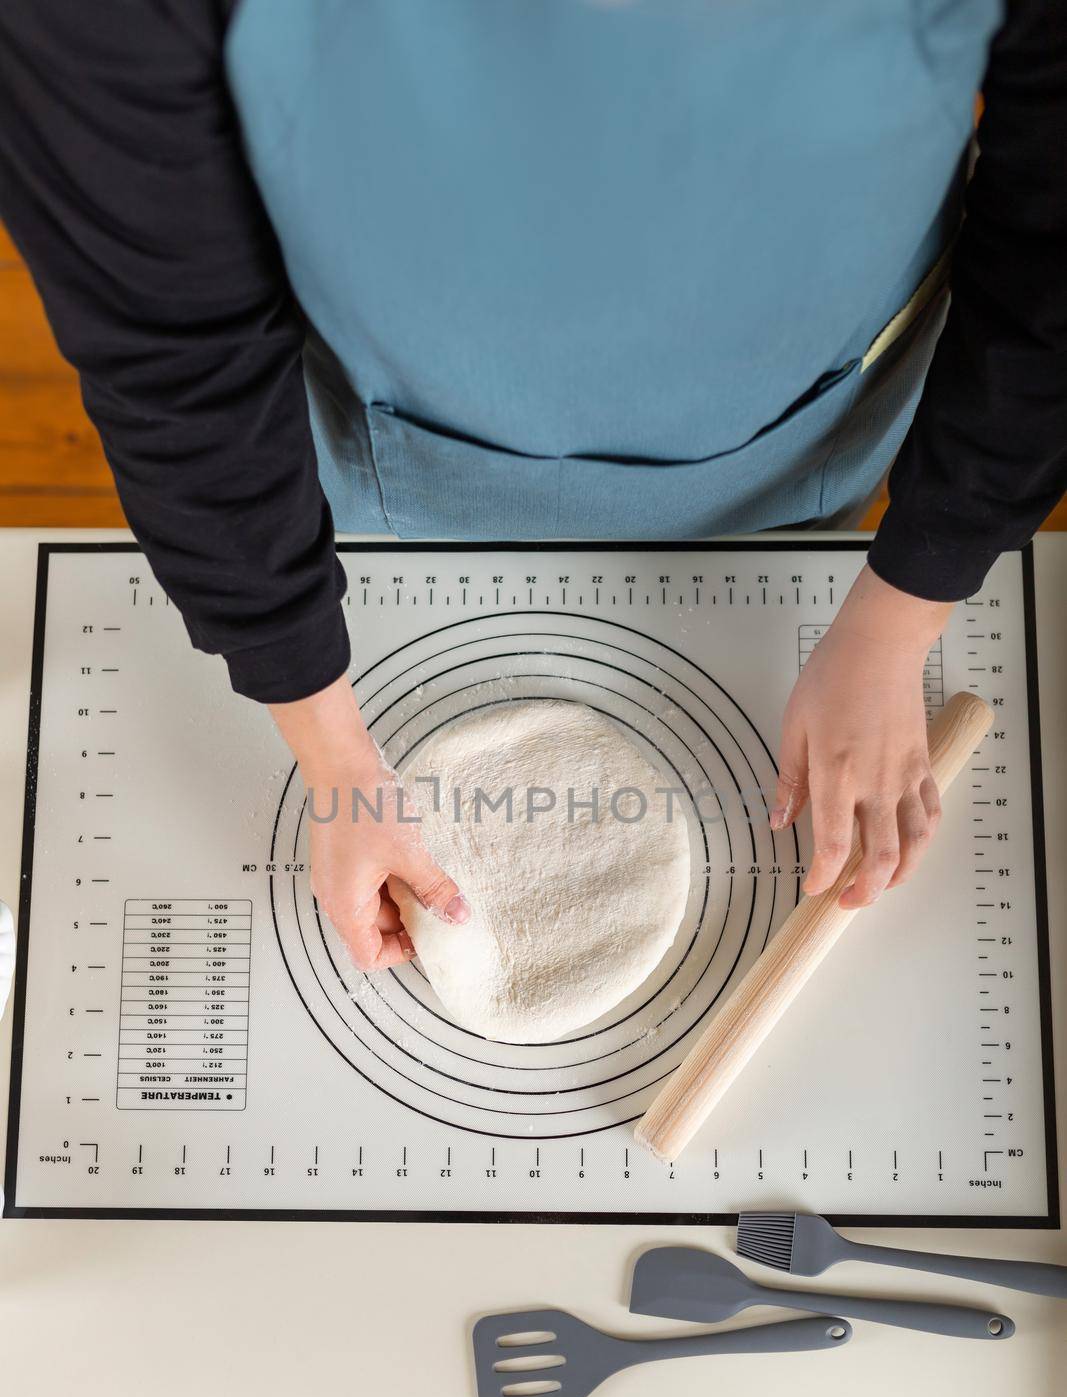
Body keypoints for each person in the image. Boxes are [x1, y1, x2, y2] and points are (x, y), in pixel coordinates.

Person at [1, 1, 1064, 972]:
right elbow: (172, 342)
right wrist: (327, 746)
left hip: (809, 419)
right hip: (382, 427)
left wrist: (899, 611)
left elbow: (1046, 238)